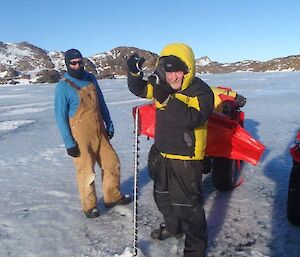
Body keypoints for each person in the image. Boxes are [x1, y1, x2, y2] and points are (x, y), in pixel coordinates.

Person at [127, 43, 214, 257]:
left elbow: (193, 118)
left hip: (186, 157)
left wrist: (166, 100)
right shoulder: (162, 86)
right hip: (162, 152)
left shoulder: (202, 92)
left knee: (188, 208)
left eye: (178, 70)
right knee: (163, 198)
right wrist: (133, 73)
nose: (173, 77)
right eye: (169, 70)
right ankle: (174, 229)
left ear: (188, 70)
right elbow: (139, 89)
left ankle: (195, 250)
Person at [54, 49, 131, 219]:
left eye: (80, 62)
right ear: (67, 64)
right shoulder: (63, 87)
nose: (77, 65)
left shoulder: (90, 79)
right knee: (86, 171)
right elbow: (60, 117)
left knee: (112, 163)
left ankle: (112, 197)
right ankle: (89, 206)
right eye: (73, 63)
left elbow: (101, 103)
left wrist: (109, 123)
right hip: (80, 136)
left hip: (100, 131)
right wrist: (69, 143)